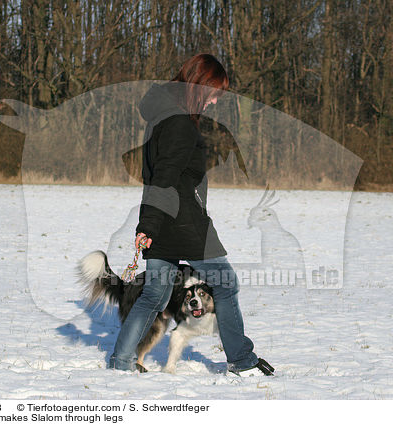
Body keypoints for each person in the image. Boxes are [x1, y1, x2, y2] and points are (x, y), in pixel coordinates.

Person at [108, 53, 274, 376]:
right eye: (214, 94)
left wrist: (149, 225)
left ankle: (122, 361)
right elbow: (165, 178)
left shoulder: (161, 118)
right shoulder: (180, 123)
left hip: (162, 223)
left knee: (154, 294)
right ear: (200, 86)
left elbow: (156, 177)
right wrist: (148, 224)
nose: (214, 102)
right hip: (185, 224)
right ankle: (241, 360)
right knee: (226, 284)